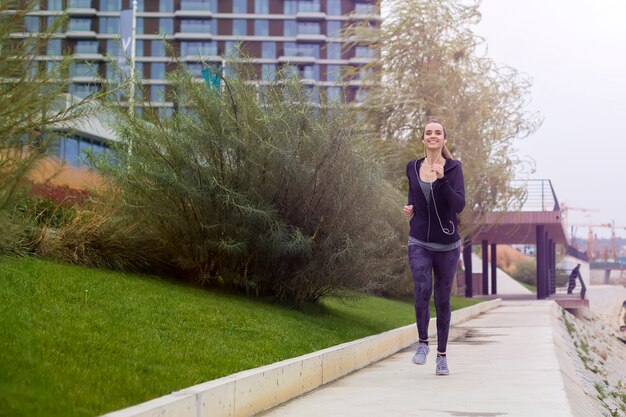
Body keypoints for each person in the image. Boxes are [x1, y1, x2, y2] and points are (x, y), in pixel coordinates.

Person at [402, 119, 465, 376]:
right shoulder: (412, 167)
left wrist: (441, 181)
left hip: (448, 245)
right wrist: (410, 208)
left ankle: (441, 356)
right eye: (428, 132)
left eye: (438, 132)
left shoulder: (453, 168)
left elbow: (458, 204)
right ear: (423, 139)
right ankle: (422, 344)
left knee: (441, 299)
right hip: (419, 240)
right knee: (421, 287)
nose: (433, 136)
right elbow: (414, 195)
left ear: (444, 139)